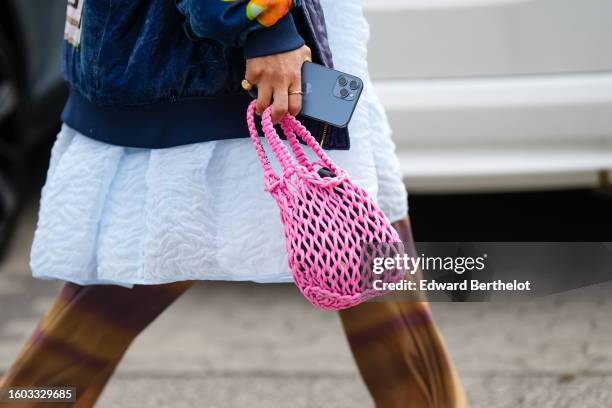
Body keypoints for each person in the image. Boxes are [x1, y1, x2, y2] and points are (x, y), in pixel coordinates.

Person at [0, 0, 468, 406]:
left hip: (285, 50)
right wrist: (264, 26)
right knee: (126, 282)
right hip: (219, 64)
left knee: (367, 247)